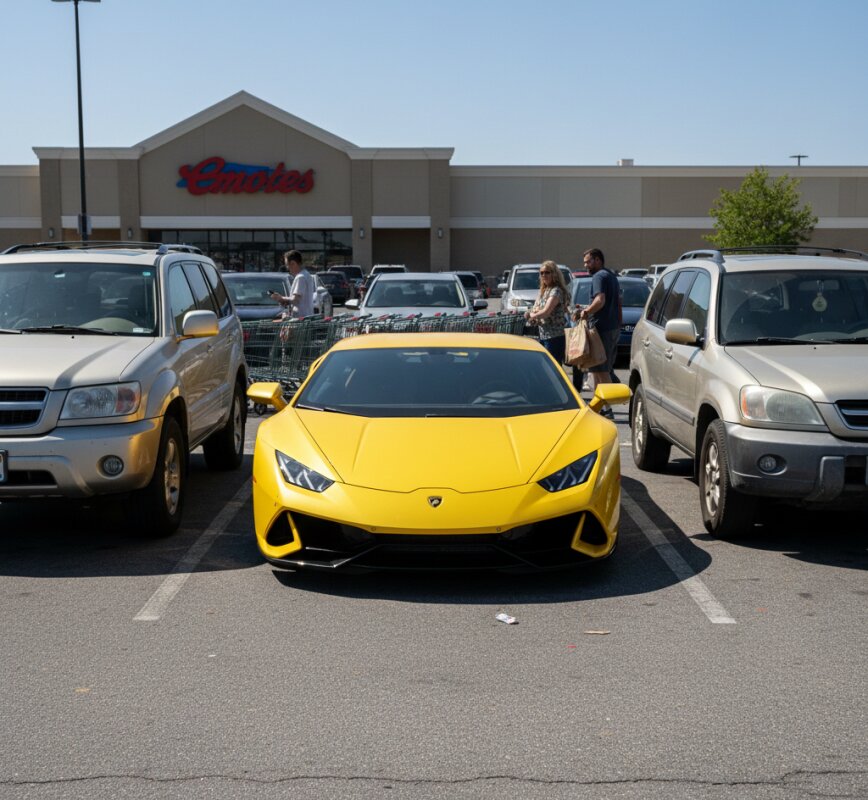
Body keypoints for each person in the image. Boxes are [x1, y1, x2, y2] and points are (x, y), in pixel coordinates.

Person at [574, 248, 620, 418]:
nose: (586, 265)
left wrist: (586, 312)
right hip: (611, 327)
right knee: (598, 369)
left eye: (589, 261)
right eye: (585, 262)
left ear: (598, 260)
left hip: (602, 329)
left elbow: (600, 300)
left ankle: (608, 410)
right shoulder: (610, 275)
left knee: (602, 370)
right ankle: (600, 406)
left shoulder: (599, 276)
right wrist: (586, 308)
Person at [525, 260, 569, 363]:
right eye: (541, 273)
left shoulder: (556, 291)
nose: (544, 275)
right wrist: (532, 316)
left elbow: (546, 312)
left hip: (555, 337)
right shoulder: (544, 291)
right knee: (546, 368)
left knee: (553, 369)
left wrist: (531, 315)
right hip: (543, 335)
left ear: (554, 274)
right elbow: (536, 309)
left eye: (547, 272)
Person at [270, 250, 315, 318]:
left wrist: (281, 298)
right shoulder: (307, 275)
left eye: (287, 265)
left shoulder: (300, 277)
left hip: (300, 319)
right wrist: (286, 301)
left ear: (293, 263)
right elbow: (300, 300)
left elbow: (295, 299)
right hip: (306, 316)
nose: (287, 268)